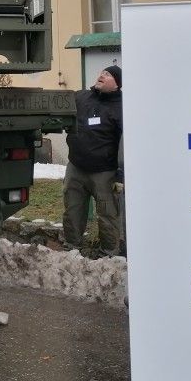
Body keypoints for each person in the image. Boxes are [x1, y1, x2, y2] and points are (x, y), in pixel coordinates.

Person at [62, 64, 124, 257]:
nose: (102, 75)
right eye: (102, 72)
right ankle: (71, 247)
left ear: (117, 84)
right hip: (76, 167)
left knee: (107, 214)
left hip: (104, 172)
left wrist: (120, 172)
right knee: (72, 209)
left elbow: (126, 141)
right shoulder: (81, 97)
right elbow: (60, 108)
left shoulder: (121, 106)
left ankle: (109, 254)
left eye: (108, 74)